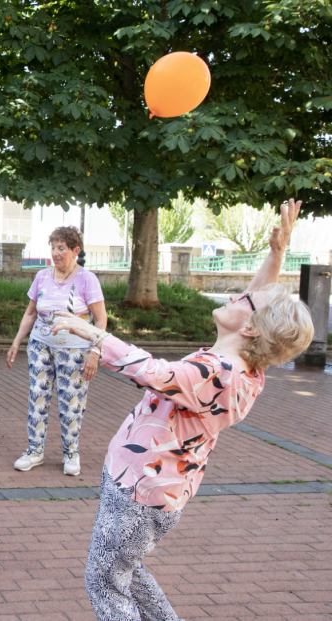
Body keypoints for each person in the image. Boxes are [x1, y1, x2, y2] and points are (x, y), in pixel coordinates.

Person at [50, 199, 313, 621]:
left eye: (242, 299)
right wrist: (276, 253)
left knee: (103, 582)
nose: (234, 293)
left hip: (138, 493)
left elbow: (154, 371)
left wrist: (91, 332)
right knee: (128, 573)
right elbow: (259, 305)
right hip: (150, 491)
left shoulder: (217, 373)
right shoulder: (243, 368)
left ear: (248, 328)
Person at [6, 226, 107, 476]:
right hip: (41, 345)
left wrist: (95, 352)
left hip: (75, 350)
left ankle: (71, 452)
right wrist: (17, 340)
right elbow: (31, 313)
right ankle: (34, 451)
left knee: (71, 402)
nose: (56, 253)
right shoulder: (42, 276)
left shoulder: (87, 279)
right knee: (37, 397)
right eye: (53, 247)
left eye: (61, 248)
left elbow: (101, 320)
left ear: (75, 251)